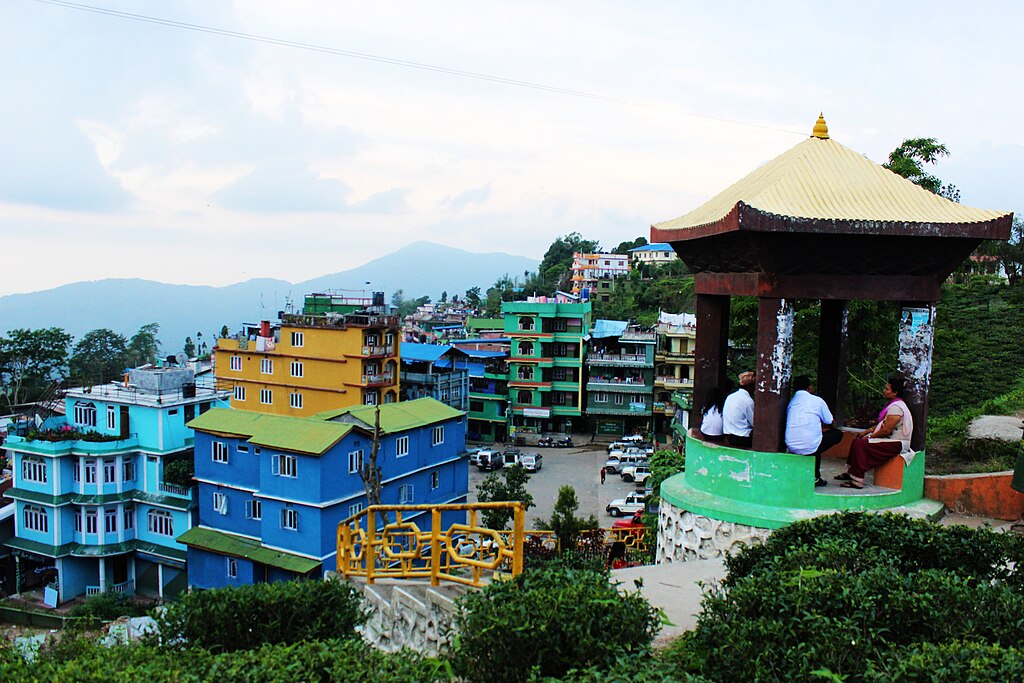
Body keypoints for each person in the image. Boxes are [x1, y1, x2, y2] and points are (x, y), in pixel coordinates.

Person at [836, 377, 914, 489]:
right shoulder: (893, 405)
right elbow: (881, 425)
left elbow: (886, 430)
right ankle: (851, 472)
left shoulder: (896, 407)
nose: (884, 391)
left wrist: (871, 437)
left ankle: (857, 480)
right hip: (891, 441)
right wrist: (866, 432)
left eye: (887, 389)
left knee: (861, 444)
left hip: (897, 443)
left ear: (895, 393)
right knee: (856, 441)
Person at [785, 375, 842, 488]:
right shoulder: (817, 400)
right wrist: (833, 429)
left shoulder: (791, 403)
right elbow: (830, 421)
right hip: (810, 446)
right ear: (809, 387)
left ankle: (815, 476)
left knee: (816, 441)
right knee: (836, 435)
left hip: (791, 446)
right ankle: (815, 477)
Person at [723, 371, 755, 447]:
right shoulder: (748, 401)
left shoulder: (731, 396)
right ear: (750, 386)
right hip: (741, 437)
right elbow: (754, 422)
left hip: (728, 435)